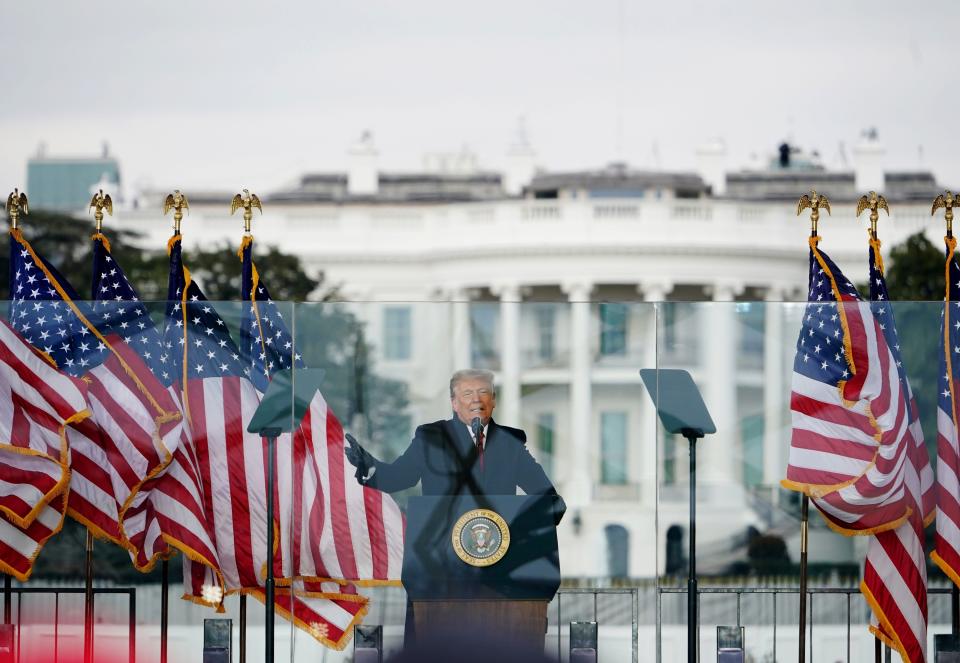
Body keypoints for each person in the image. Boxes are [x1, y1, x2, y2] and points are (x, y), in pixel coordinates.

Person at [344, 368, 564, 506]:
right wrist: (369, 464)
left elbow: (547, 499)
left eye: (483, 393)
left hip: (499, 556)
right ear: (454, 403)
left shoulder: (511, 443)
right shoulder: (431, 438)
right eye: (468, 394)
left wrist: (531, 519)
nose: (476, 400)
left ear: (493, 401)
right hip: (443, 556)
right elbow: (399, 477)